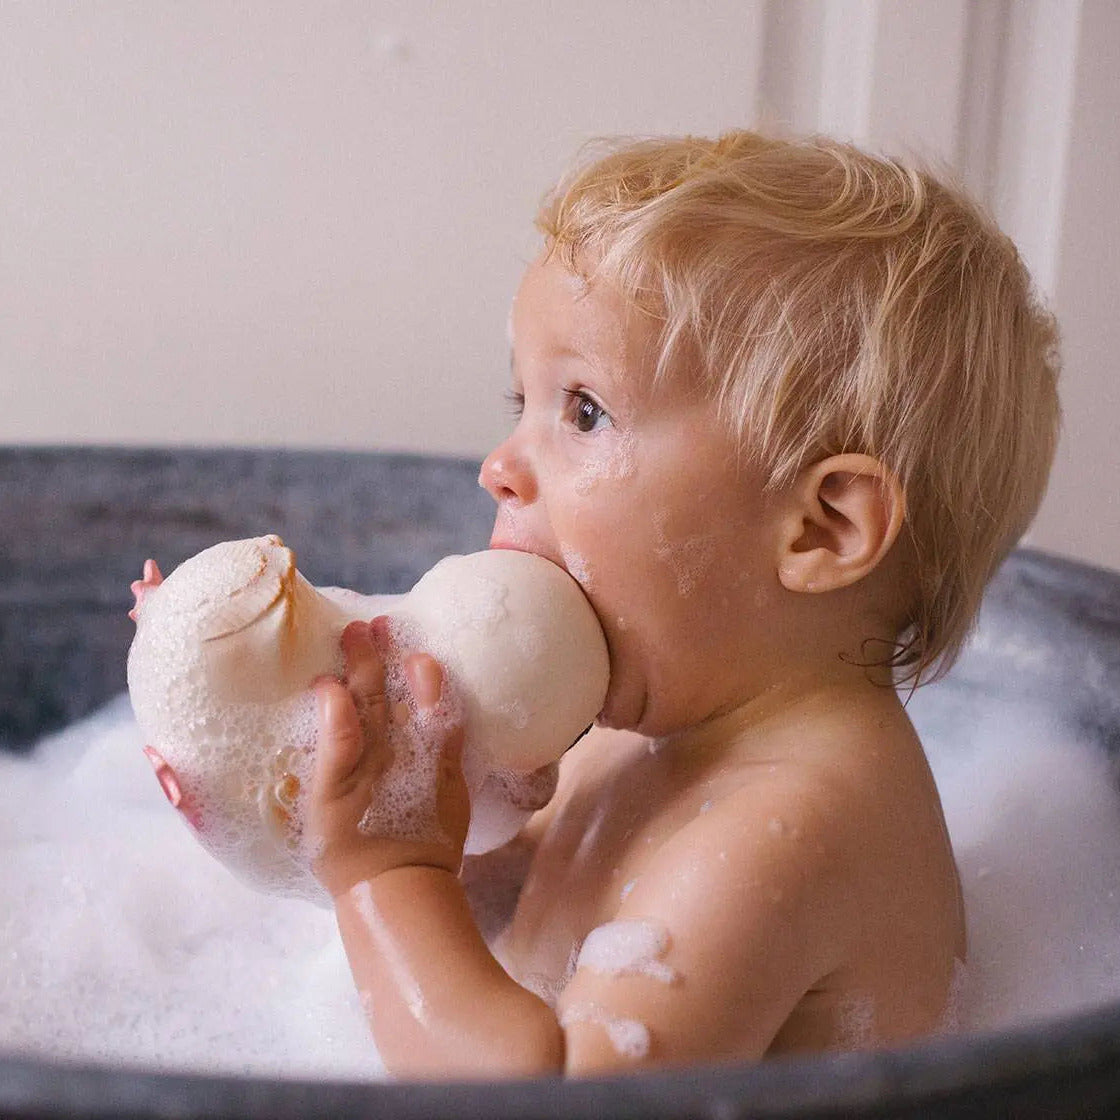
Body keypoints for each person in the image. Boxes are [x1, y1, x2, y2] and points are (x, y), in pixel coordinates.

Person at [306, 131, 1061, 1078]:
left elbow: (553, 1106)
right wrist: (349, 771)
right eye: (521, 400)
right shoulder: (646, 732)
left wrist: (381, 877)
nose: (499, 466)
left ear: (822, 529)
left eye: (583, 411)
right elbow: (496, 901)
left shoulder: (788, 832)